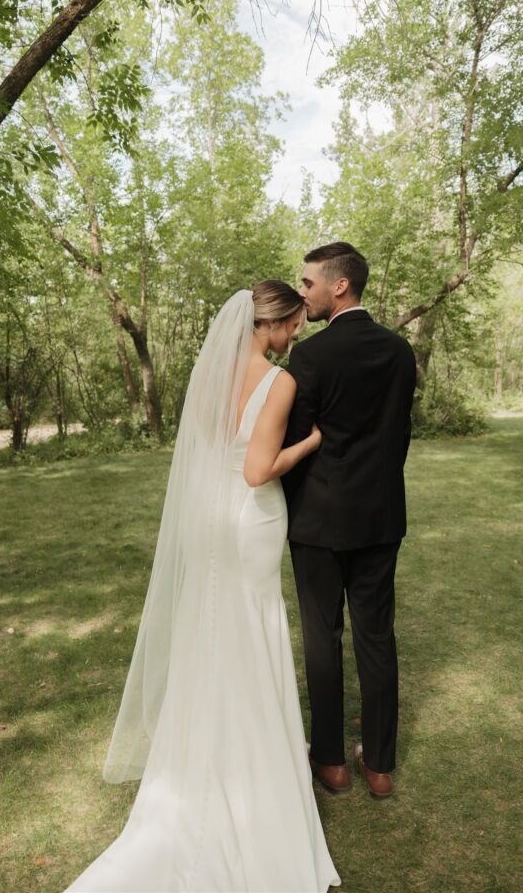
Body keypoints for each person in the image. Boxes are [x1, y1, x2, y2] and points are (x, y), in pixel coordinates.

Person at [64, 282, 340, 893]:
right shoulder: (280, 380)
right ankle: (252, 783)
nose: (296, 334)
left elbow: (210, 451)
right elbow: (257, 468)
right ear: (271, 325)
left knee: (210, 634)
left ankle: (199, 768)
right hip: (248, 518)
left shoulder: (209, 374)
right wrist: (311, 442)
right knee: (251, 631)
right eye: (293, 325)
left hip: (204, 516)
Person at [282, 242, 416, 800]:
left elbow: (296, 442)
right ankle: (380, 765)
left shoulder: (309, 357)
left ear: (340, 286)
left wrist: (295, 506)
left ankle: (333, 762)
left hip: (317, 521)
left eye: (309, 282)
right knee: (376, 636)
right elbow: (398, 435)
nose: (303, 292)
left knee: (322, 638)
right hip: (380, 517)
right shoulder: (399, 351)